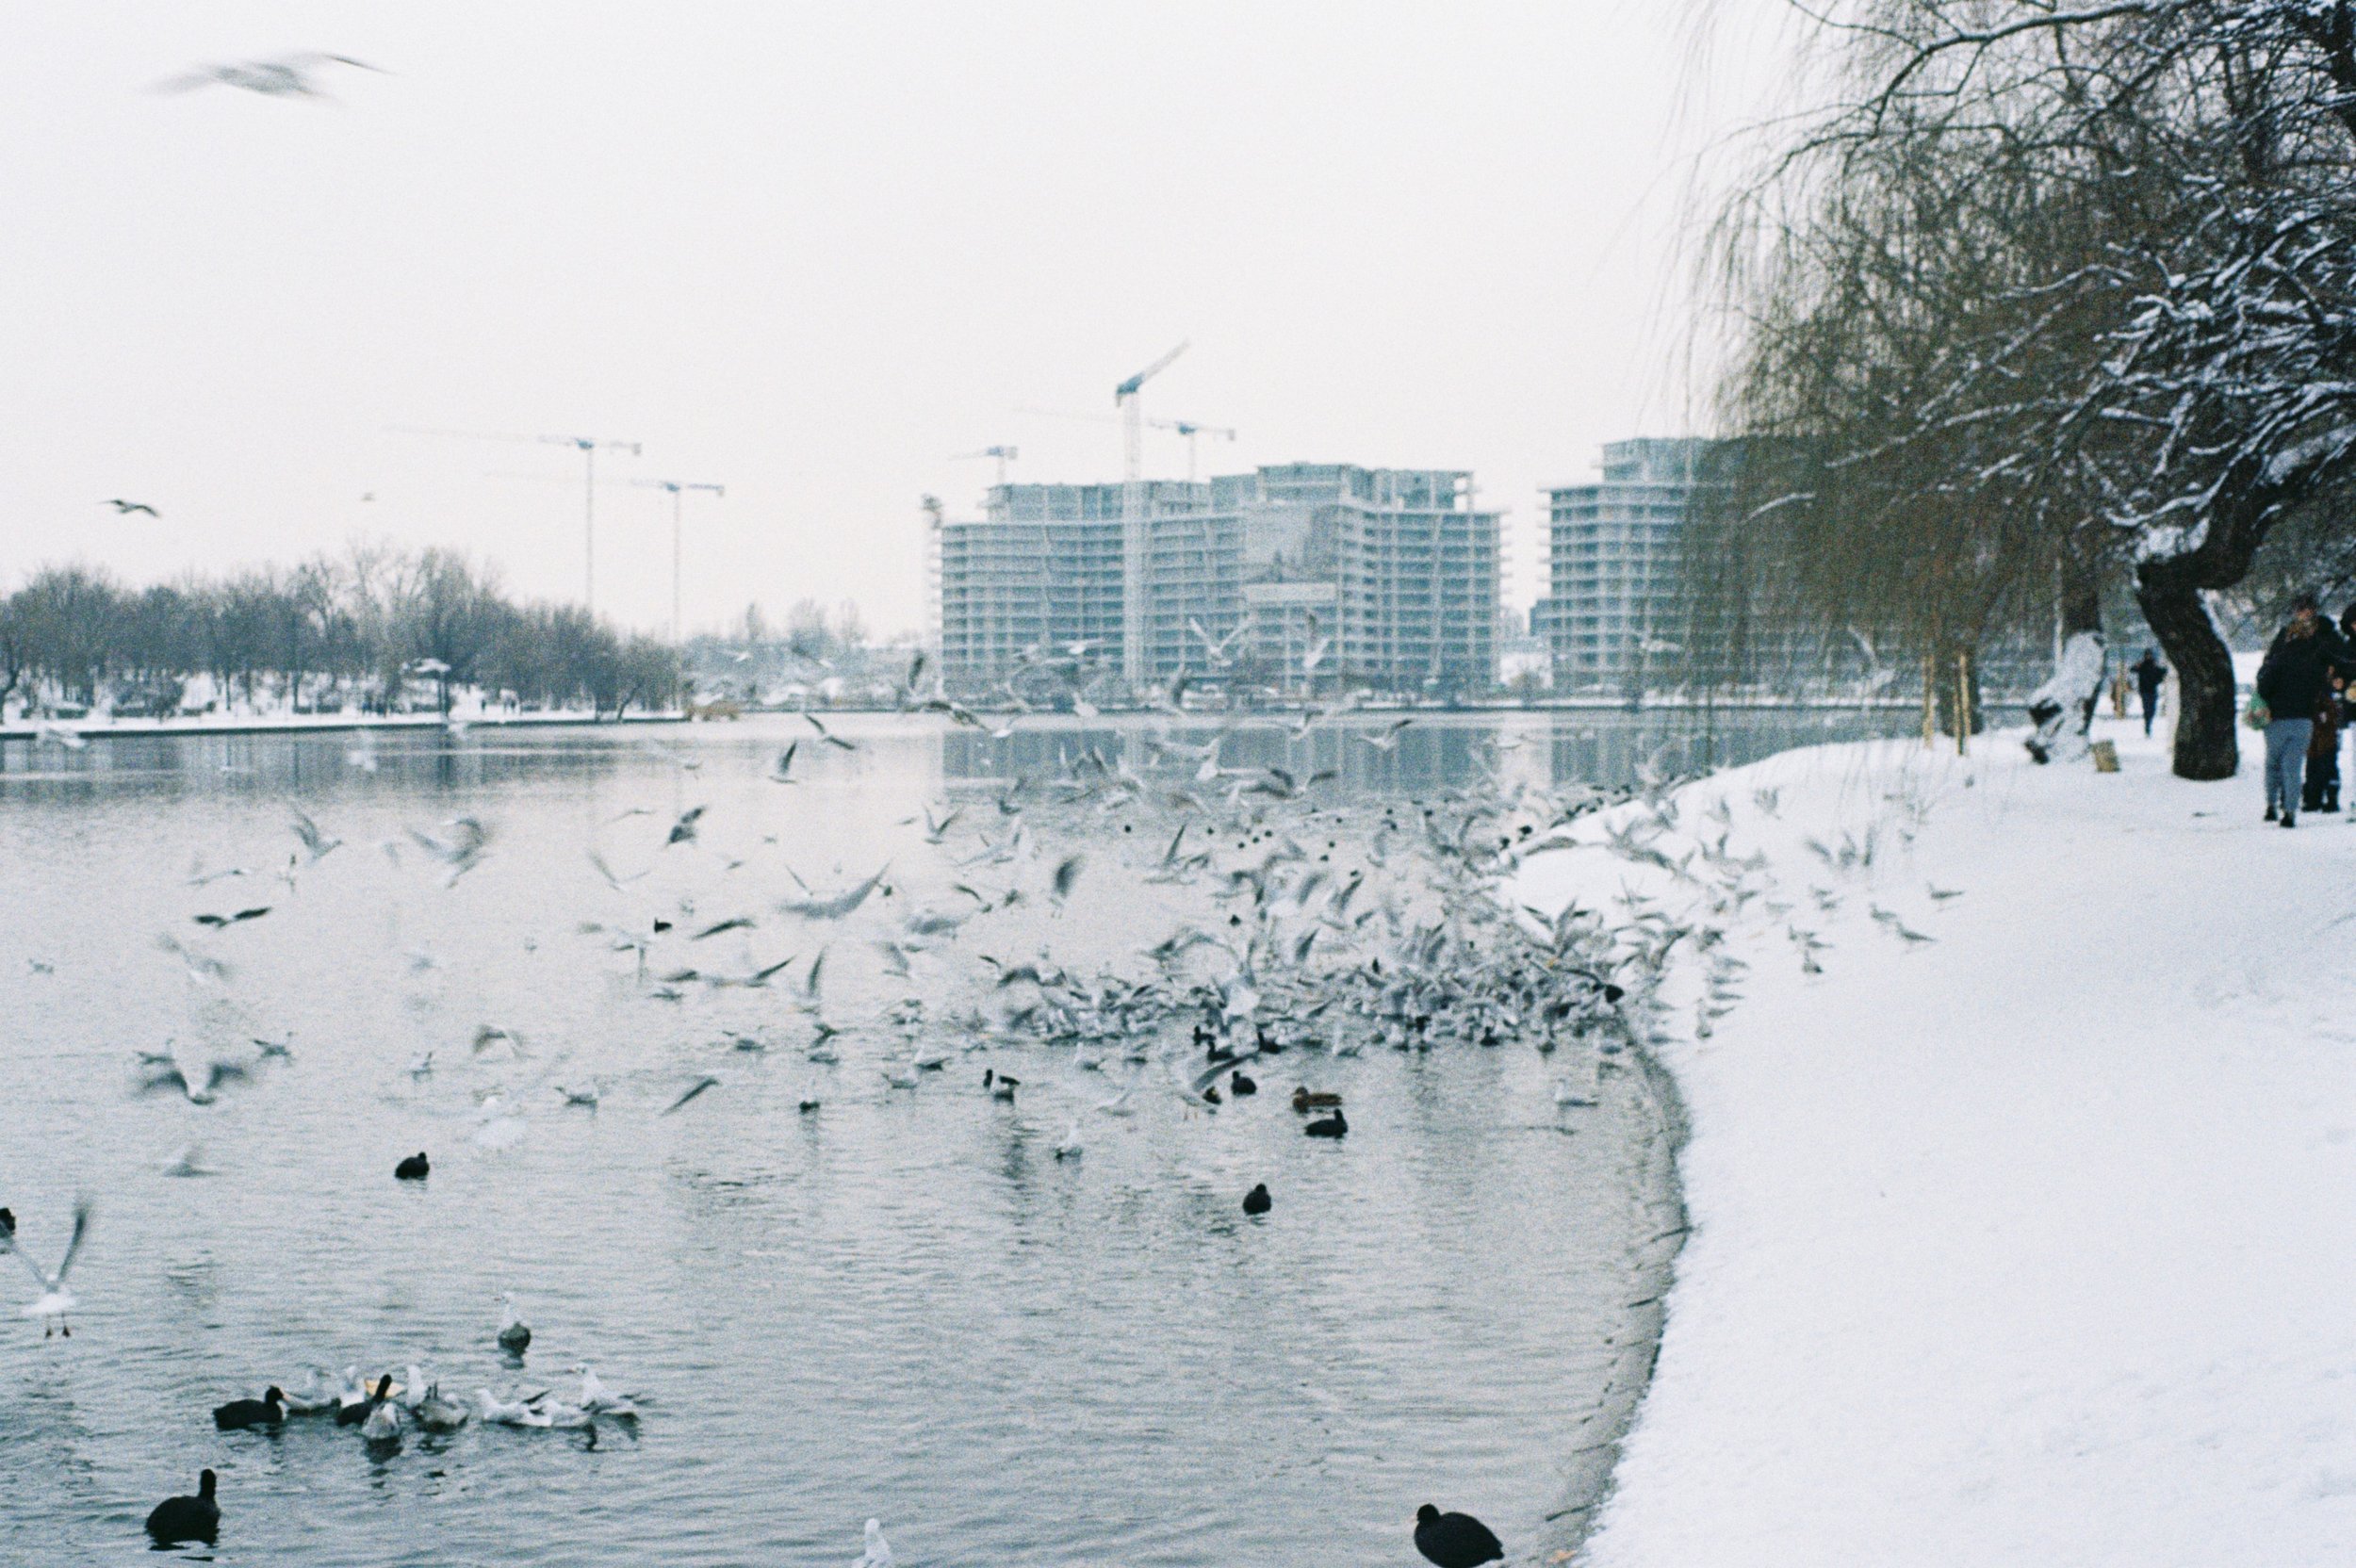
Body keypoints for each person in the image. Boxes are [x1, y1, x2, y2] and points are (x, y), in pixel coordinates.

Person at [2255, 593, 2355, 827]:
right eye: (2300, 610)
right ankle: (2302, 798)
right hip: (2301, 702)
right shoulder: (2287, 638)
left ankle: (2322, 797)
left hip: (2319, 700)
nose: (2304, 614)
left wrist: (2336, 678)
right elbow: (2270, 666)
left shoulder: (2326, 634)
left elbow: (2341, 660)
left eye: (2307, 609)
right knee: (2300, 755)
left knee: (2323, 749)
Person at [2132, 648, 2168, 736]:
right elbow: (2132, 669)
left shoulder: (2154, 665)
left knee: (2152, 709)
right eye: (2147, 655)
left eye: (2150, 655)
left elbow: (2162, 672)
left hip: (2152, 690)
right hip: (2144, 690)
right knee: (2147, 708)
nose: (2149, 656)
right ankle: (2147, 725)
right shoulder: (2142, 665)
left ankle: (2148, 723)